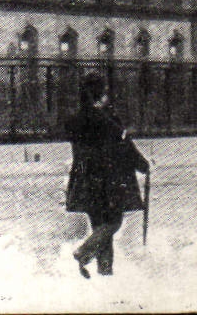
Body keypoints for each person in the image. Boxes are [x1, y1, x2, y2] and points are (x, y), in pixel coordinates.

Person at [64, 72, 149, 278]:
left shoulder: (75, 120)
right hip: (108, 182)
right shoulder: (109, 120)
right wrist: (143, 165)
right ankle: (84, 252)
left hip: (84, 181)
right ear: (100, 94)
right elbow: (126, 148)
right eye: (104, 93)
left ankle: (105, 275)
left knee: (100, 228)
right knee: (113, 223)